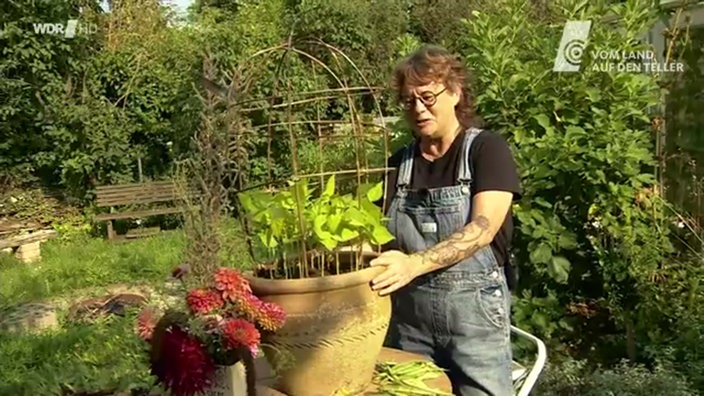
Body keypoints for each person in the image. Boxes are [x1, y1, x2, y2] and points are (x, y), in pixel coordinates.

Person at [369, 45, 522, 396]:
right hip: (411, 324)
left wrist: (413, 265)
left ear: (454, 92)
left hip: (475, 323)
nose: (419, 109)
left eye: (427, 96)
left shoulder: (485, 149)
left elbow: (482, 229)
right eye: (409, 101)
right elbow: (372, 235)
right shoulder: (398, 165)